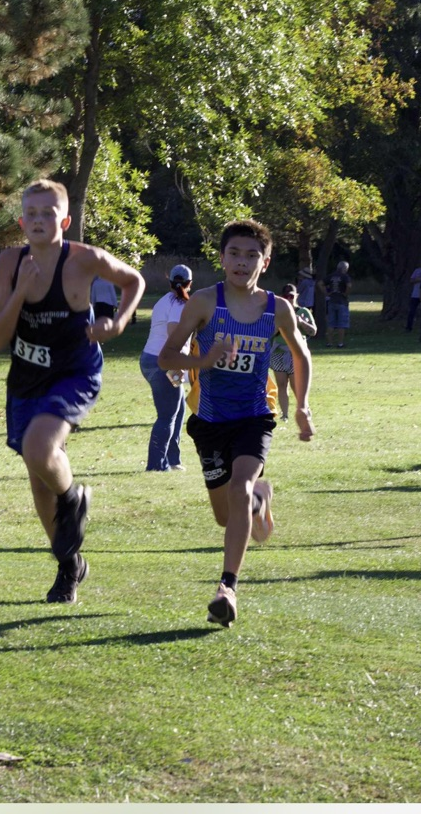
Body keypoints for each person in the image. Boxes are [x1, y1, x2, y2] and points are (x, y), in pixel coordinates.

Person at [0, 179, 145, 605]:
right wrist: (20, 290)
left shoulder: (85, 260)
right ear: (22, 221)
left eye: (48, 213)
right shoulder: (8, 262)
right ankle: (69, 565)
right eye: (32, 214)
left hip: (75, 372)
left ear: (66, 220)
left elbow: (135, 282)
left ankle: (73, 496)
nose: (39, 220)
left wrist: (118, 323)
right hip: (26, 377)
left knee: (40, 447)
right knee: (39, 479)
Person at [158, 219, 314, 628]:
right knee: (226, 516)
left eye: (251, 256)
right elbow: (167, 357)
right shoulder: (205, 303)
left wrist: (302, 406)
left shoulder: (277, 308)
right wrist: (204, 361)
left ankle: (227, 588)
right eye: (235, 254)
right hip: (209, 420)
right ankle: (260, 501)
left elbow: (301, 355)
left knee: (240, 486)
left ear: (265, 261)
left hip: (254, 416)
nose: (242, 263)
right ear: (222, 258)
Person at [139, 264, 193, 472]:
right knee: (167, 414)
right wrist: (179, 366)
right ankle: (156, 465)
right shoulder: (180, 303)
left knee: (178, 407)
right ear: (190, 283)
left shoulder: (164, 300)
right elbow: (173, 334)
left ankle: (173, 459)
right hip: (164, 364)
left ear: (169, 281)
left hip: (151, 360)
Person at [269, 282, 317, 421]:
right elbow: (269, 333)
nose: (289, 299)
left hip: (296, 353)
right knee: (282, 385)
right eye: (285, 296)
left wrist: (301, 322)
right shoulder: (277, 313)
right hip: (278, 352)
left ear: (296, 296)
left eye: (291, 296)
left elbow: (313, 331)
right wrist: (279, 327)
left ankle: (304, 409)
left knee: (296, 385)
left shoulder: (303, 312)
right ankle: (285, 415)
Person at [324, 260, 352, 348]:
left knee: (331, 323)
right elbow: (349, 286)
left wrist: (326, 293)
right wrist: (346, 294)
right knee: (341, 323)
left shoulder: (331, 276)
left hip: (332, 301)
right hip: (342, 302)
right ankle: (340, 343)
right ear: (345, 268)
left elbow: (320, 283)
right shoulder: (345, 276)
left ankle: (329, 343)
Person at [405, 259, 421, 331]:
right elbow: (411, 280)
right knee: (412, 311)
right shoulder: (417, 271)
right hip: (415, 294)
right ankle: (409, 327)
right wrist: (417, 280)